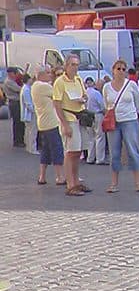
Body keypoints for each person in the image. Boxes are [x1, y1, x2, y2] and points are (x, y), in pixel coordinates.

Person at [52, 54, 91, 196]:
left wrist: (84, 98)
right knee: (71, 151)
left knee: (78, 152)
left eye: (77, 65)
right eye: (73, 65)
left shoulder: (78, 80)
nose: (75, 68)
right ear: (66, 66)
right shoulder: (60, 82)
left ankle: (76, 181)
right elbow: (57, 104)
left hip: (80, 116)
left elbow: (85, 94)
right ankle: (70, 184)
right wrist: (64, 124)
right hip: (69, 118)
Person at [103, 59, 139, 192]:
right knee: (114, 152)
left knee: (133, 150)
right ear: (113, 70)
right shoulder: (107, 87)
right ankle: (114, 183)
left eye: (123, 69)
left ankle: (138, 183)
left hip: (130, 120)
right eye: (118, 69)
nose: (121, 71)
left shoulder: (131, 85)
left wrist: (135, 114)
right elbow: (106, 104)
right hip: (114, 122)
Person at [30, 66, 66, 186]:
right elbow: (59, 94)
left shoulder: (35, 86)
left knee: (46, 151)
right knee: (57, 149)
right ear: (41, 75)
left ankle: (42, 176)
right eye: (48, 73)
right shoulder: (43, 86)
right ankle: (60, 176)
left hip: (43, 122)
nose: (50, 75)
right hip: (51, 123)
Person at [84, 77, 108, 165]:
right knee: (99, 136)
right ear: (93, 83)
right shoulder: (96, 93)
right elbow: (102, 105)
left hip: (87, 115)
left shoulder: (84, 93)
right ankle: (99, 158)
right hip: (97, 114)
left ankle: (90, 158)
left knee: (90, 137)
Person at [3, 67, 24, 147]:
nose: (15, 75)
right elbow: (19, 89)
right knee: (17, 122)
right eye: (14, 73)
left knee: (20, 122)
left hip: (16, 102)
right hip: (14, 102)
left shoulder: (12, 81)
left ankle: (20, 139)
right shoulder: (9, 82)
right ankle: (17, 141)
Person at [20, 73, 37, 155]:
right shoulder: (26, 89)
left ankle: (29, 146)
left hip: (27, 114)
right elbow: (28, 103)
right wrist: (35, 111)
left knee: (29, 131)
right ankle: (32, 148)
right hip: (29, 114)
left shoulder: (26, 88)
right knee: (32, 131)